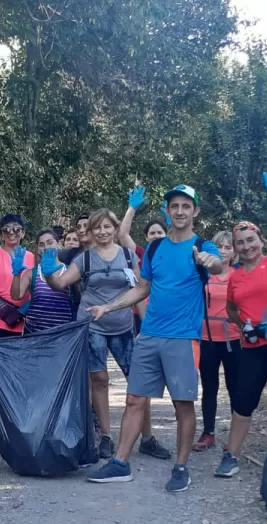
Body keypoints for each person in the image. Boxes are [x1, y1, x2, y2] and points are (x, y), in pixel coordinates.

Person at [83, 185, 222, 491]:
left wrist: (211, 262)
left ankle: (181, 467)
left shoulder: (202, 246)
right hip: (148, 336)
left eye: (187, 206)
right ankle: (120, 463)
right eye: (175, 206)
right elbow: (142, 288)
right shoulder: (156, 249)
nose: (181, 211)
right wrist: (107, 307)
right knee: (134, 400)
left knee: (182, 404)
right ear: (168, 210)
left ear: (195, 211)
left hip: (183, 339)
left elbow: (217, 264)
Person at [42, 208, 149, 460]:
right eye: (97, 227)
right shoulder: (84, 259)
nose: (102, 232)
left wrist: (143, 327)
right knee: (99, 381)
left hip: (123, 327)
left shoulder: (128, 255)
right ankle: (106, 437)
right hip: (92, 328)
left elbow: (140, 292)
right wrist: (48, 274)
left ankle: (147, 437)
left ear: (114, 229)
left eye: (107, 227)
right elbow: (60, 283)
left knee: (138, 381)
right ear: (90, 231)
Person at [217, 173, 267, 479]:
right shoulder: (234, 275)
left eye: (250, 240)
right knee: (243, 401)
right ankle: (230, 455)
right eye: (240, 243)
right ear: (234, 248)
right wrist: (245, 324)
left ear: (260, 241)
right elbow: (232, 307)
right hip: (252, 347)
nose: (246, 246)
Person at [112, 186, 174, 460]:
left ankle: (150, 437)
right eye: (152, 234)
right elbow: (122, 234)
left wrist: (171, 222)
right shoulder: (140, 254)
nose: (157, 237)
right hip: (142, 326)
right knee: (140, 384)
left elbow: (179, 238)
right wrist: (132, 208)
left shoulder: (174, 252)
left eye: (161, 233)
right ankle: (142, 438)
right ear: (146, 239)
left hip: (171, 326)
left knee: (166, 387)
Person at [193, 230, 239, 452]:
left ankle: (234, 437)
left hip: (233, 339)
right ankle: (208, 433)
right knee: (209, 387)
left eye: (228, 247)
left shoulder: (238, 275)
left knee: (235, 388)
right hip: (207, 338)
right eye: (219, 246)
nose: (223, 251)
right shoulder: (203, 274)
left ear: (234, 251)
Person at [0, 214, 36, 339]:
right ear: (1, 234)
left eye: (16, 229)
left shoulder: (31, 257)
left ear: (23, 233)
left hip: (21, 316)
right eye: (6, 229)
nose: (11, 232)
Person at [12, 230, 75, 335]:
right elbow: (16, 296)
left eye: (50, 242)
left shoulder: (71, 271)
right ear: (38, 249)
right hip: (33, 334)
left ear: (59, 244)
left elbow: (79, 298)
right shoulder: (31, 273)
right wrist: (16, 274)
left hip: (62, 335)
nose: (46, 247)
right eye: (41, 245)